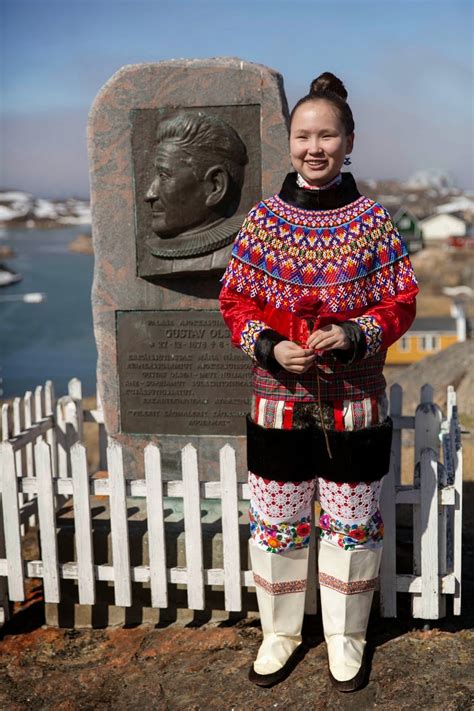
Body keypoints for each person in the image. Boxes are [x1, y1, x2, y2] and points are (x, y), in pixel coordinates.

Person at [219, 72, 418, 692]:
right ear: (290, 142)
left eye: (327, 135)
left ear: (348, 139)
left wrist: (356, 333)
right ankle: (279, 633)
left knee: (352, 526)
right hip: (277, 402)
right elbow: (235, 304)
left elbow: (402, 301)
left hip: (354, 403)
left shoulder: (374, 223)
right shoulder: (263, 222)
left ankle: (346, 637)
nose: (315, 147)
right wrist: (272, 345)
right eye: (304, 135)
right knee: (277, 526)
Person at [144, 111, 248, 272]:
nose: (149, 194)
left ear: (215, 185)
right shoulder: (148, 260)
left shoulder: (250, 254)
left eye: (164, 176)